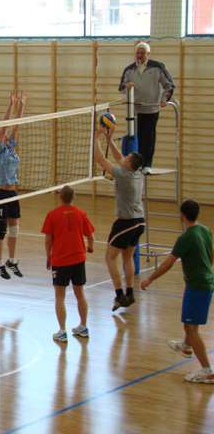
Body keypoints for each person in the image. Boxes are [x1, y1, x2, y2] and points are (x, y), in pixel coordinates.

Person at [141, 200, 214, 384]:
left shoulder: (186, 238)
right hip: (201, 282)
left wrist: (150, 279)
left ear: (182, 215)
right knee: (189, 324)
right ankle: (187, 346)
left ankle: (207, 370)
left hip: (198, 286)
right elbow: (211, 255)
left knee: (191, 327)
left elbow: (168, 263)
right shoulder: (204, 230)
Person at [94, 127, 145, 311]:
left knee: (110, 258)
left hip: (126, 223)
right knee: (127, 257)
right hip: (140, 221)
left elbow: (100, 160)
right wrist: (109, 140)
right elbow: (120, 158)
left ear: (129, 165)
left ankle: (119, 295)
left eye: (128, 157)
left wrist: (95, 138)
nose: (125, 157)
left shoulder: (123, 175)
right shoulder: (138, 172)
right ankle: (129, 294)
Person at [42, 186, 95, 342]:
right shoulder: (81, 213)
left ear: (60, 197)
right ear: (73, 197)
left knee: (60, 296)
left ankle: (62, 331)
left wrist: (48, 256)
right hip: (78, 259)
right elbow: (90, 235)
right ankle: (83, 326)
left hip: (60, 260)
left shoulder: (52, 215)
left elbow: (48, 240)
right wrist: (90, 247)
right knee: (80, 294)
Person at [118, 42, 175, 174]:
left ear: (148, 54)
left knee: (148, 138)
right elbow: (121, 87)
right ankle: (136, 165)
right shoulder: (129, 69)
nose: (139, 55)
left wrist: (164, 99)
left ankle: (147, 165)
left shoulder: (158, 67)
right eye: (137, 53)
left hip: (151, 110)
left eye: (142, 53)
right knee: (135, 138)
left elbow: (169, 85)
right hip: (134, 111)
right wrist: (127, 86)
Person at [0, 91, 25, 280]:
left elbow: (16, 126)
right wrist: (10, 105)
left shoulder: (10, 148)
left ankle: (11, 260)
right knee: (1, 230)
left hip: (12, 193)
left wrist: (22, 106)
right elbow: (4, 127)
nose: (6, 137)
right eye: (3, 136)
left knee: (14, 229)